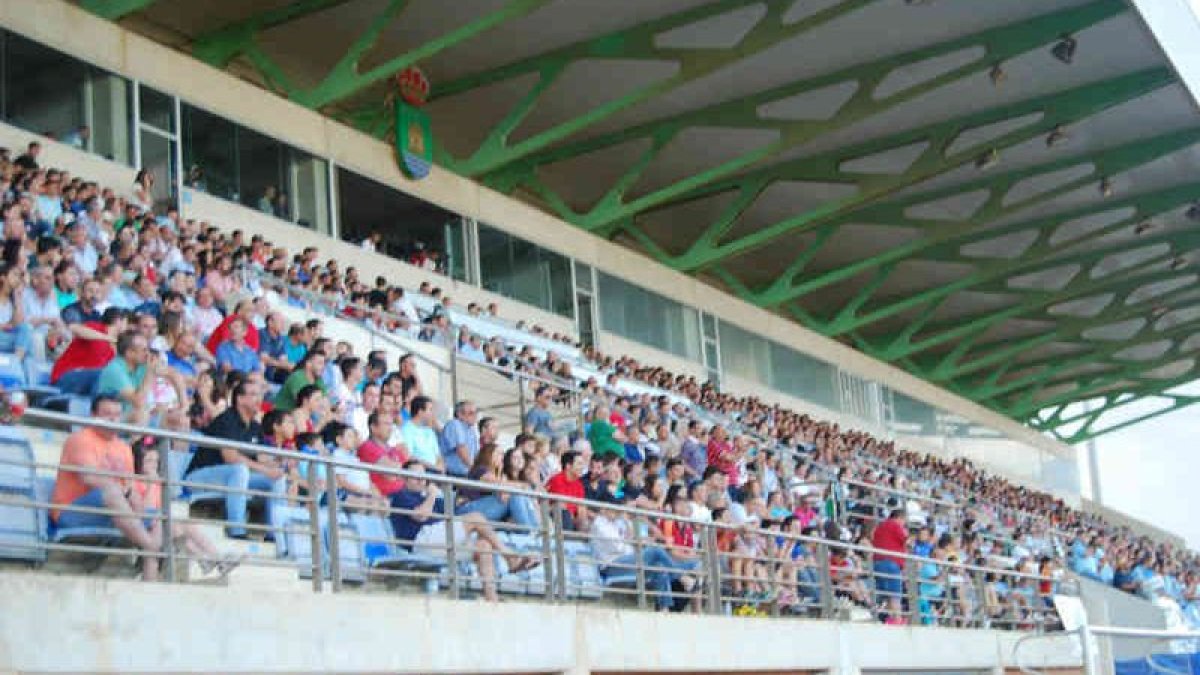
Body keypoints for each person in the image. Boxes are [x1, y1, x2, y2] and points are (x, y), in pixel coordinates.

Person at [387, 461, 537, 602]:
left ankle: (491, 598)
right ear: (405, 479)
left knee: (483, 545)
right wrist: (432, 494)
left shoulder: (428, 498)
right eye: (416, 476)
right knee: (476, 517)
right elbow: (421, 516)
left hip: (440, 541)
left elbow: (455, 512)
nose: (421, 480)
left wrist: (466, 499)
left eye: (423, 476)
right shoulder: (401, 495)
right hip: (420, 541)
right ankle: (509, 556)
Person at [50, 395, 161, 580]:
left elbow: (131, 489)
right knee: (112, 491)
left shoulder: (124, 448)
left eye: (117, 415)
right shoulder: (80, 439)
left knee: (158, 518)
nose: (113, 419)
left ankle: (152, 579)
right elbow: (90, 478)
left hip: (113, 512)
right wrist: (126, 493)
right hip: (72, 513)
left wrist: (139, 508)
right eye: (107, 414)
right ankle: (150, 547)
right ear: (93, 415)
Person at [185, 381, 287, 539]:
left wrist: (281, 463)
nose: (259, 399)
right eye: (253, 394)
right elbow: (231, 457)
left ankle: (275, 535)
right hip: (199, 477)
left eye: (260, 395)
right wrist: (266, 470)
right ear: (240, 399)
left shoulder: (255, 427)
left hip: (234, 479)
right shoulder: (227, 419)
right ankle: (237, 531)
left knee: (277, 479)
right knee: (240, 469)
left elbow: (262, 458)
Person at [133, 441, 241, 578]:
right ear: (139, 462)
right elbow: (145, 512)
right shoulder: (135, 481)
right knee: (179, 527)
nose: (153, 465)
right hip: (143, 528)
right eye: (149, 461)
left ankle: (213, 559)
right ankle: (211, 560)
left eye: (155, 461)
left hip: (159, 525)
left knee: (184, 527)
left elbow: (160, 508)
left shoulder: (157, 482)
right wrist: (150, 484)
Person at [590, 499, 699, 612]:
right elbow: (619, 547)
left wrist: (629, 528)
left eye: (616, 510)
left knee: (659, 566)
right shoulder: (600, 524)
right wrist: (634, 542)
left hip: (628, 560)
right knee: (655, 550)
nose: (616, 513)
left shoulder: (617, 522)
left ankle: (664, 609)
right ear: (603, 509)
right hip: (612, 565)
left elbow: (629, 540)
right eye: (612, 510)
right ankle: (682, 577)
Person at [95, 329, 159, 425]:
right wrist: (150, 373)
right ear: (129, 353)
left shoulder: (141, 364)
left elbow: (174, 374)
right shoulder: (115, 369)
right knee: (141, 414)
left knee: (173, 415)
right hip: (109, 418)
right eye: (144, 350)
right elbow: (139, 402)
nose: (148, 354)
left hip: (128, 414)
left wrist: (182, 406)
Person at [872, 509, 910, 624]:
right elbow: (906, 540)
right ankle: (897, 620)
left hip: (878, 563)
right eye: (904, 521)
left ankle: (890, 620)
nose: (904, 524)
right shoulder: (895, 525)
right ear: (900, 518)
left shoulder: (880, 526)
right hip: (890, 563)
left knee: (886, 595)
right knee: (895, 595)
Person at [546, 450, 589, 530]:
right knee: (565, 514)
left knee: (586, 523)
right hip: (553, 517)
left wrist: (581, 521)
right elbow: (561, 505)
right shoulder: (557, 480)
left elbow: (581, 509)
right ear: (568, 466)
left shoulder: (579, 484)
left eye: (582, 464)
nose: (582, 467)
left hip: (571, 520)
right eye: (579, 464)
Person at [401, 395, 442, 471]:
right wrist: (433, 467)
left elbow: (438, 456)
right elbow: (409, 456)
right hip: (420, 471)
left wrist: (441, 468)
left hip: (435, 472)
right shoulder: (407, 429)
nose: (432, 413)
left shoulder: (429, 431)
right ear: (420, 412)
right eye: (430, 410)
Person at [439, 400, 479, 477]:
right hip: (451, 474)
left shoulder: (472, 430)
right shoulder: (455, 424)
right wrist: (475, 471)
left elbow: (476, 455)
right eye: (471, 413)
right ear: (460, 414)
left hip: (466, 474)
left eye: (476, 413)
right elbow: (461, 449)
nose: (475, 416)